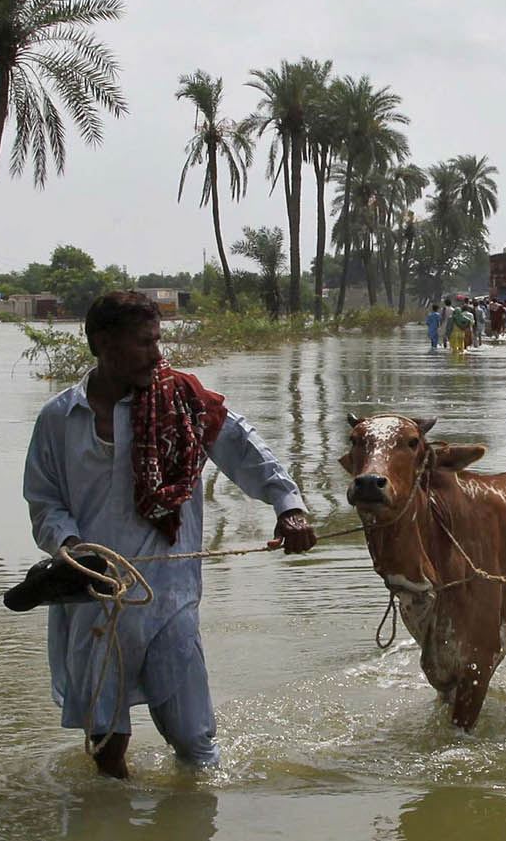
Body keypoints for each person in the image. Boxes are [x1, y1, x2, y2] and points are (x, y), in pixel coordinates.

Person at [23, 291, 316, 779]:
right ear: (102, 343)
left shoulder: (183, 401)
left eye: (158, 340)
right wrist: (71, 548)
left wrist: (289, 508)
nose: (157, 354)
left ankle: (195, 818)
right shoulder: (60, 417)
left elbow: (248, 451)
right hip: (96, 596)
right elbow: (44, 500)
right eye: (143, 343)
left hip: (169, 599)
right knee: (105, 742)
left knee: (193, 739)